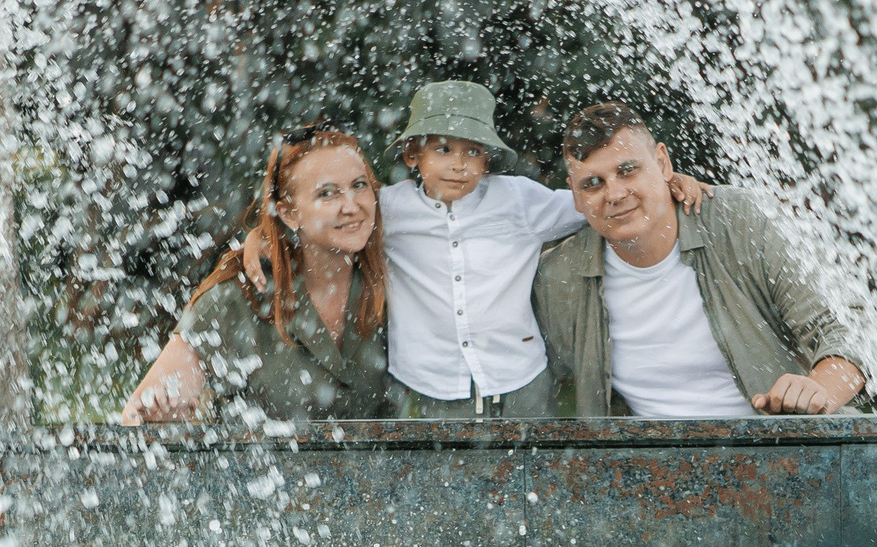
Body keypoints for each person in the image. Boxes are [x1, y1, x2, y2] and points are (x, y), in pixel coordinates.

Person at [379, 80, 702, 417]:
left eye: (473, 151)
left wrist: (668, 183)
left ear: (487, 159)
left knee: (532, 463)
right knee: (442, 467)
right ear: (412, 154)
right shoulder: (388, 211)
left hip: (520, 374)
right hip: (430, 379)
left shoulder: (517, 200)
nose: (459, 164)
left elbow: (594, 205)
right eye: (444, 150)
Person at [531, 101, 866, 418]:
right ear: (575, 194)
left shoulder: (741, 222)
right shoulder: (559, 277)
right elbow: (515, 364)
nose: (615, 194)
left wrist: (817, 391)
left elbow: (849, 332)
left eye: (628, 170)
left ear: (662, 163)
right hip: (647, 472)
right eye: (592, 184)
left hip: (783, 456)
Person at [119, 123, 394, 424]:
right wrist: (167, 420)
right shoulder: (237, 299)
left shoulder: (396, 278)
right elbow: (136, 415)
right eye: (327, 194)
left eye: (359, 185)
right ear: (290, 213)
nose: (351, 206)